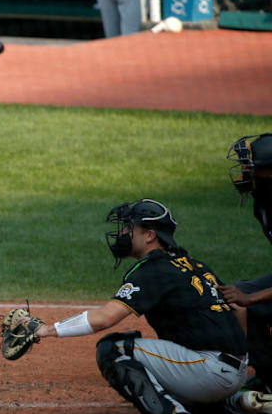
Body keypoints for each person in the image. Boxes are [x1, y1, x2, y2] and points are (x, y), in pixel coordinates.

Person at [31, 198, 248, 413]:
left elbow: (106, 318)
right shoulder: (195, 265)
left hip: (209, 373)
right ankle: (233, 401)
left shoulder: (154, 270)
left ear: (150, 235)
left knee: (114, 349)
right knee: (162, 379)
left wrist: (47, 330)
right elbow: (240, 308)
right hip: (235, 370)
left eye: (129, 228)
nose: (123, 233)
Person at [218, 133, 272, 413]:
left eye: (249, 166)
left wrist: (253, 298)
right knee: (239, 299)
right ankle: (268, 376)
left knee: (249, 303)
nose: (243, 172)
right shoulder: (263, 200)